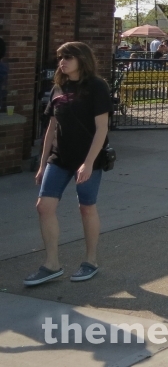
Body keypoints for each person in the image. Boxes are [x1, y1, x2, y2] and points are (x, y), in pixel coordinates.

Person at [25, 42, 111, 287]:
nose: (62, 62)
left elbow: (101, 128)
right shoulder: (58, 88)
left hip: (87, 158)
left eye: (68, 57)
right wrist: (42, 164)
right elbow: (51, 127)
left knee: (86, 207)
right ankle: (51, 264)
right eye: (60, 57)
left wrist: (88, 163)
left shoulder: (96, 86)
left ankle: (90, 261)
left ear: (81, 59)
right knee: (44, 206)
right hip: (59, 159)